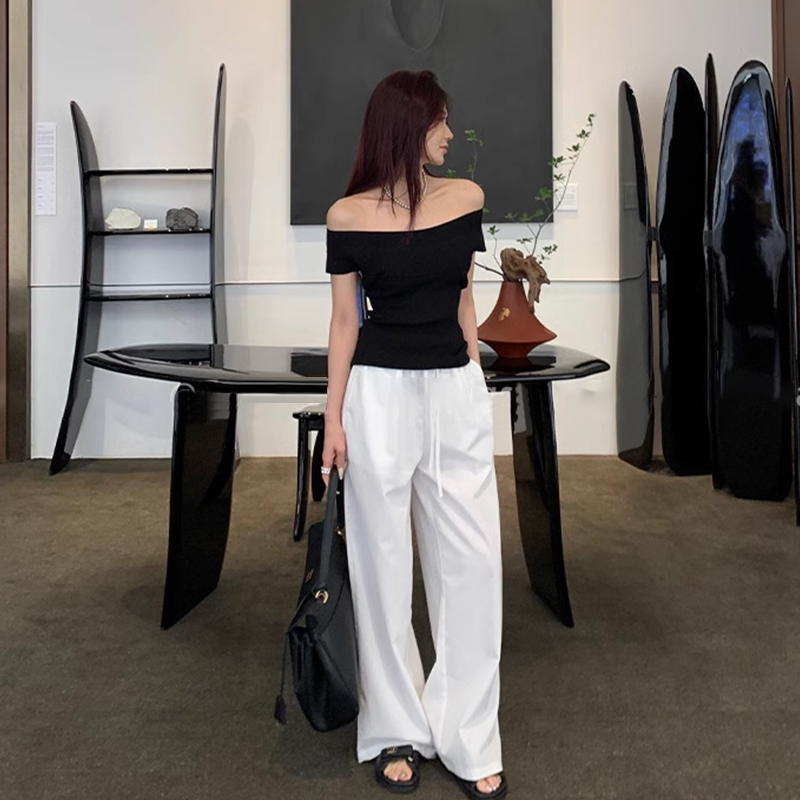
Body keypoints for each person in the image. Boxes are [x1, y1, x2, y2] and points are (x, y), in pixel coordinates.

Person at [322, 70, 506, 799]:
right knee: (382, 564)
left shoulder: (465, 198)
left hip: (452, 390)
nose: (450, 135)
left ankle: (468, 733)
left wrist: (475, 383)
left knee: (473, 565)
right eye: (440, 122)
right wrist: (333, 418)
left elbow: (464, 296)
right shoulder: (346, 216)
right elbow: (345, 321)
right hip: (379, 396)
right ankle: (394, 727)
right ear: (407, 126)